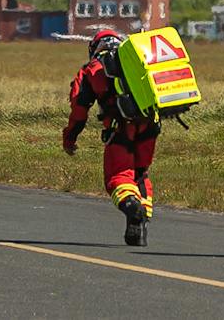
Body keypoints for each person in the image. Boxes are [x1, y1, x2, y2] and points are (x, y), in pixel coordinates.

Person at [63, 28, 159, 247]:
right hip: (151, 124)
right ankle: (140, 226)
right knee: (140, 173)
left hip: (121, 128)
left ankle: (132, 207)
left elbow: (79, 112)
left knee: (118, 177)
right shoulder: (137, 59)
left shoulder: (91, 70)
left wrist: (69, 139)